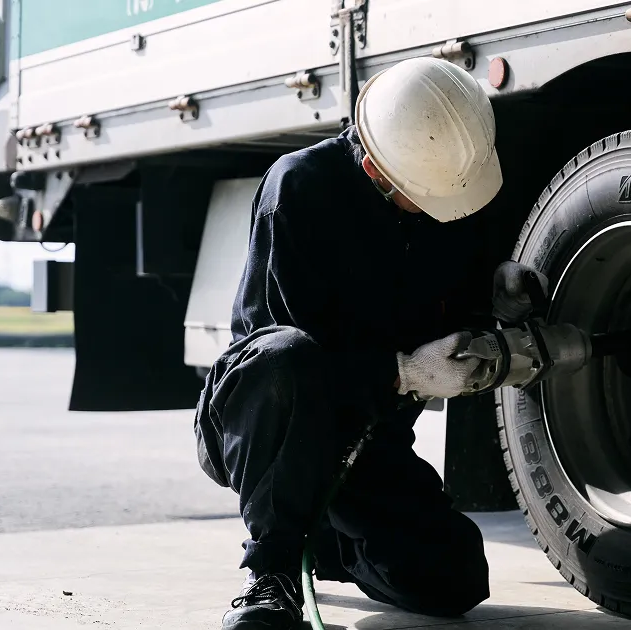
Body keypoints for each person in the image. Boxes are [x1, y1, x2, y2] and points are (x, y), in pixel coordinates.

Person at [192, 57, 549, 630]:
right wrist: (403, 372)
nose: (438, 214)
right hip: (268, 423)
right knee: (288, 357)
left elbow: (445, 284)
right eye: (424, 202)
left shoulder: (435, 180)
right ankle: (273, 570)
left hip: (368, 436)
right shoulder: (301, 188)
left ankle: (326, 540)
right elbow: (289, 364)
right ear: (374, 170)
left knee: (453, 579)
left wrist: (495, 291)